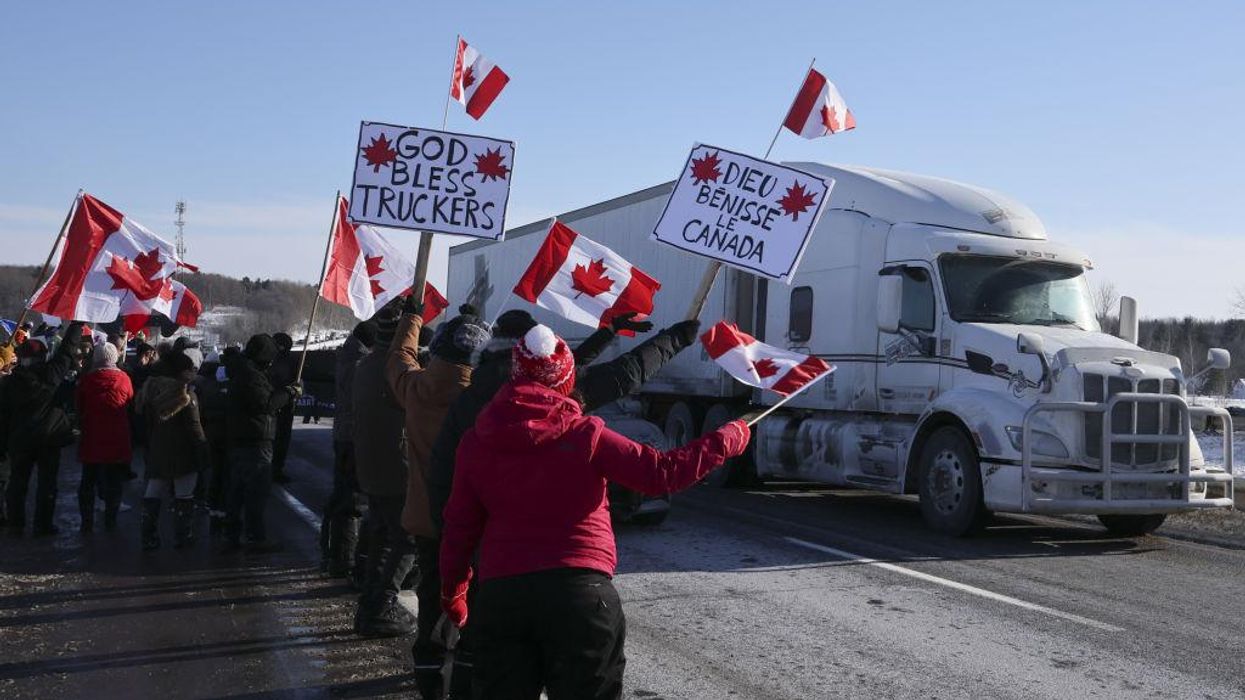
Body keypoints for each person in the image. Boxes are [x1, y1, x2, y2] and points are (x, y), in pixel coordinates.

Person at [440, 325, 750, 699]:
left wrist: (454, 594)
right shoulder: (585, 435)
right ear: (566, 379)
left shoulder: (477, 441)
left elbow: (459, 526)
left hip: (504, 595)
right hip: (581, 596)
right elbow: (661, 473)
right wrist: (725, 439)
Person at [387, 301, 489, 670]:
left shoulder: (415, 388)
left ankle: (429, 671)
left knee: (432, 595)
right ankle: (468, 669)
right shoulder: (488, 400)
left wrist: (412, 318)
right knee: (475, 598)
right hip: (475, 523)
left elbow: (399, 356)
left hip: (427, 518)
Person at [351, 306, 417, 636]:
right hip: (397, 467)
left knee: (380, 536)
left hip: (371, 464)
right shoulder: (395, 370)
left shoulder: (365, 364)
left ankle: (369, 604)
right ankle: (381, 605)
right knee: (403, 540)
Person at [0, 322, 85, 536]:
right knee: (47, 483)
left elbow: (3, 417)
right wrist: (77, 324)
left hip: (20, 438)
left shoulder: (9, 384)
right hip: (49, 437)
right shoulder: (51, 376)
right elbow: (66, 352)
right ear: (43, 358)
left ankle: (15, 523)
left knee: (18, 482)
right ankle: (43, 524)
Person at [223, 334, 301, 550]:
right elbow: (266, 403)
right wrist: (289, 392)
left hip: (242, 438)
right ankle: (255, 536)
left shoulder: (242, 371)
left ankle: (232, 534)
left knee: (237, 491)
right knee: (256, 491)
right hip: (255, 439)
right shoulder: (251, 375)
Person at [136, 348, 208, 549]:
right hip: (183, 452)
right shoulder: (185, 394)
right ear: (181, 371)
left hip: (157, 448)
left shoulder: (150, 390)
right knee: (184, 494)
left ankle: (148, 536)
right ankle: (183, 536)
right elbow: (195, 427)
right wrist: (203, 452)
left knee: (153, 491)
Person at [321, 321, 375, 577]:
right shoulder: (359, 365)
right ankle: (343, 560)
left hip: (344, 434)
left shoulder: (348, 356)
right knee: (351, 502)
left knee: (342, 497)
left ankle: (333, 554)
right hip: (354, 437)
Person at [74, 342, 134, 533]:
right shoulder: (124, 379)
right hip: (117, 436)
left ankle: (87, 521)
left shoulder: (87, 380)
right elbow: (130, 401)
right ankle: (110, 519)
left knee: (88, 480)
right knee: (114, 481)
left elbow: (79, 406)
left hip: (92, 435)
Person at [268, 332, 297, 483]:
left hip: (286, 404)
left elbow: (296, 379)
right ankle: (272, 468)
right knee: (274, 439)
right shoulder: (270, 360)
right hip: (275, 403)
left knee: (282, 439)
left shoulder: (291, 360)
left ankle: (277, 468)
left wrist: (296, 387)